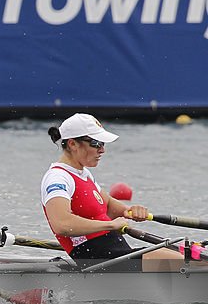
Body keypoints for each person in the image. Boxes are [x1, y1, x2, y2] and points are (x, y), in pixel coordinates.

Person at [41, 112, 180, 270]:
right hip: (97, 261)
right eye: (96, 143)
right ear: (72, 144)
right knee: (182, 259)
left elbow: (107, 206)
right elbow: (62, 224)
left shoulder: (83, 174)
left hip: (115, 254)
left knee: (190, 254)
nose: (102, 150)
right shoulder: (57, 178)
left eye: (103, 144)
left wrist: (129, 211)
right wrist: (110, 226)